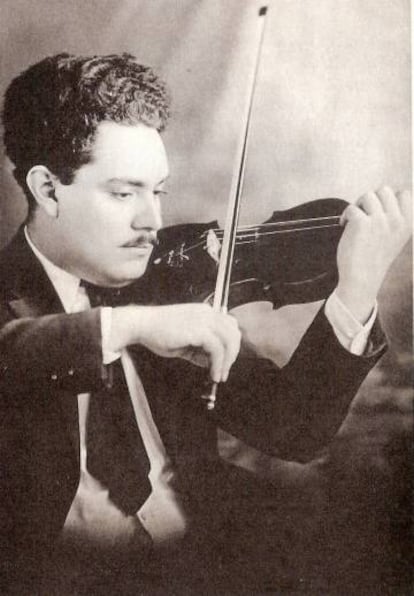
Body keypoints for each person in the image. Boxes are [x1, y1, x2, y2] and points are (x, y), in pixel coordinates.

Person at [0, 53, 411, 594]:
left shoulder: (168, 282)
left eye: (158, 190)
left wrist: (355, 288)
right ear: (48, 189)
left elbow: (295, 429)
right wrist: (129, 326)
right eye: (124, 193)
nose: (154, 222)